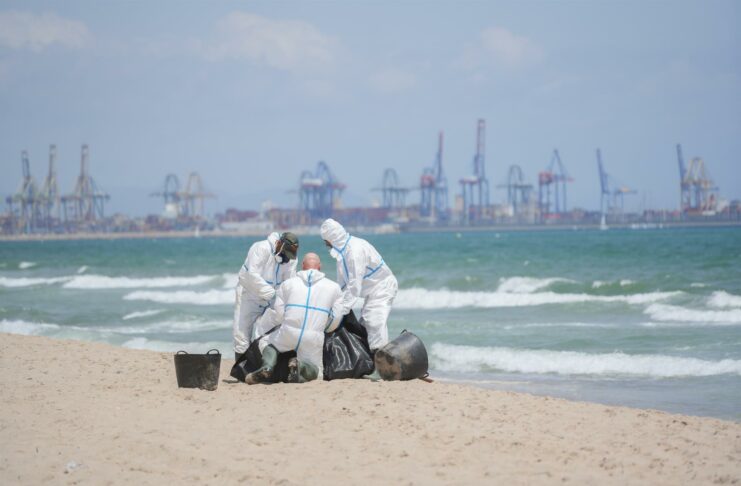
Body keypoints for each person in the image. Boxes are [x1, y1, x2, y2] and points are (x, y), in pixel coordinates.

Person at [245, 252, 343, 384]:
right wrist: (324, 328)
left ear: (302, 266)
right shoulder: (334, 287)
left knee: (266, 342)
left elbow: (279, 314)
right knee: (318, 372)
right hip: (313, 336)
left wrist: (284, 323)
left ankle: (267, 366)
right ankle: (300, 365)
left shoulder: (287, 284)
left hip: (289, 332)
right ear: (320, 267)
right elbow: (336, 319)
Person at [320, 218, 398, 355]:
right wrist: (334, 303)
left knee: (374, 321)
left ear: (332, 238)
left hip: (382, 287)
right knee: (365, 326)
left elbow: (354, 286)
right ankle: (372, 357)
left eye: (326, 241)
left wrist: (341, 311)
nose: (326, 244)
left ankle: (382, 358)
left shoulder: (354, 251)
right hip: (372, 292)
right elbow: (342, 284)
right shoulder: (342, 254)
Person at [232, 231, 299, 359]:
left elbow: (289, 281)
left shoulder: (291, 259)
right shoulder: (261, 248)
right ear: (279, 243)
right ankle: (241, 367)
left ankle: (264, 362)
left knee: (272, 331)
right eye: (285, 252)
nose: (286, 256)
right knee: (241, 334)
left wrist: (288, 300)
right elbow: (252, 276)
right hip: (249, 294)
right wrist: (272, 294)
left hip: (272, 298)